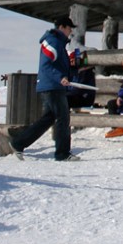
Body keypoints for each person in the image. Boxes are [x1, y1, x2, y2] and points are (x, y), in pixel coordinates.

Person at [8, 17, 79, 161]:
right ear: (61, 27)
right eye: (69, 27)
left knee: (48, 118)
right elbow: (46, 65)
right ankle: (62, 153)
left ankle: (18, 143)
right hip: (52, 86)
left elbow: (58, 65)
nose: (71, 31)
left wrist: (72, 70)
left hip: (53, 85)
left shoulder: (59, 43)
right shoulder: (53, 41)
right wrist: (60, 77)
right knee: (63, 118)